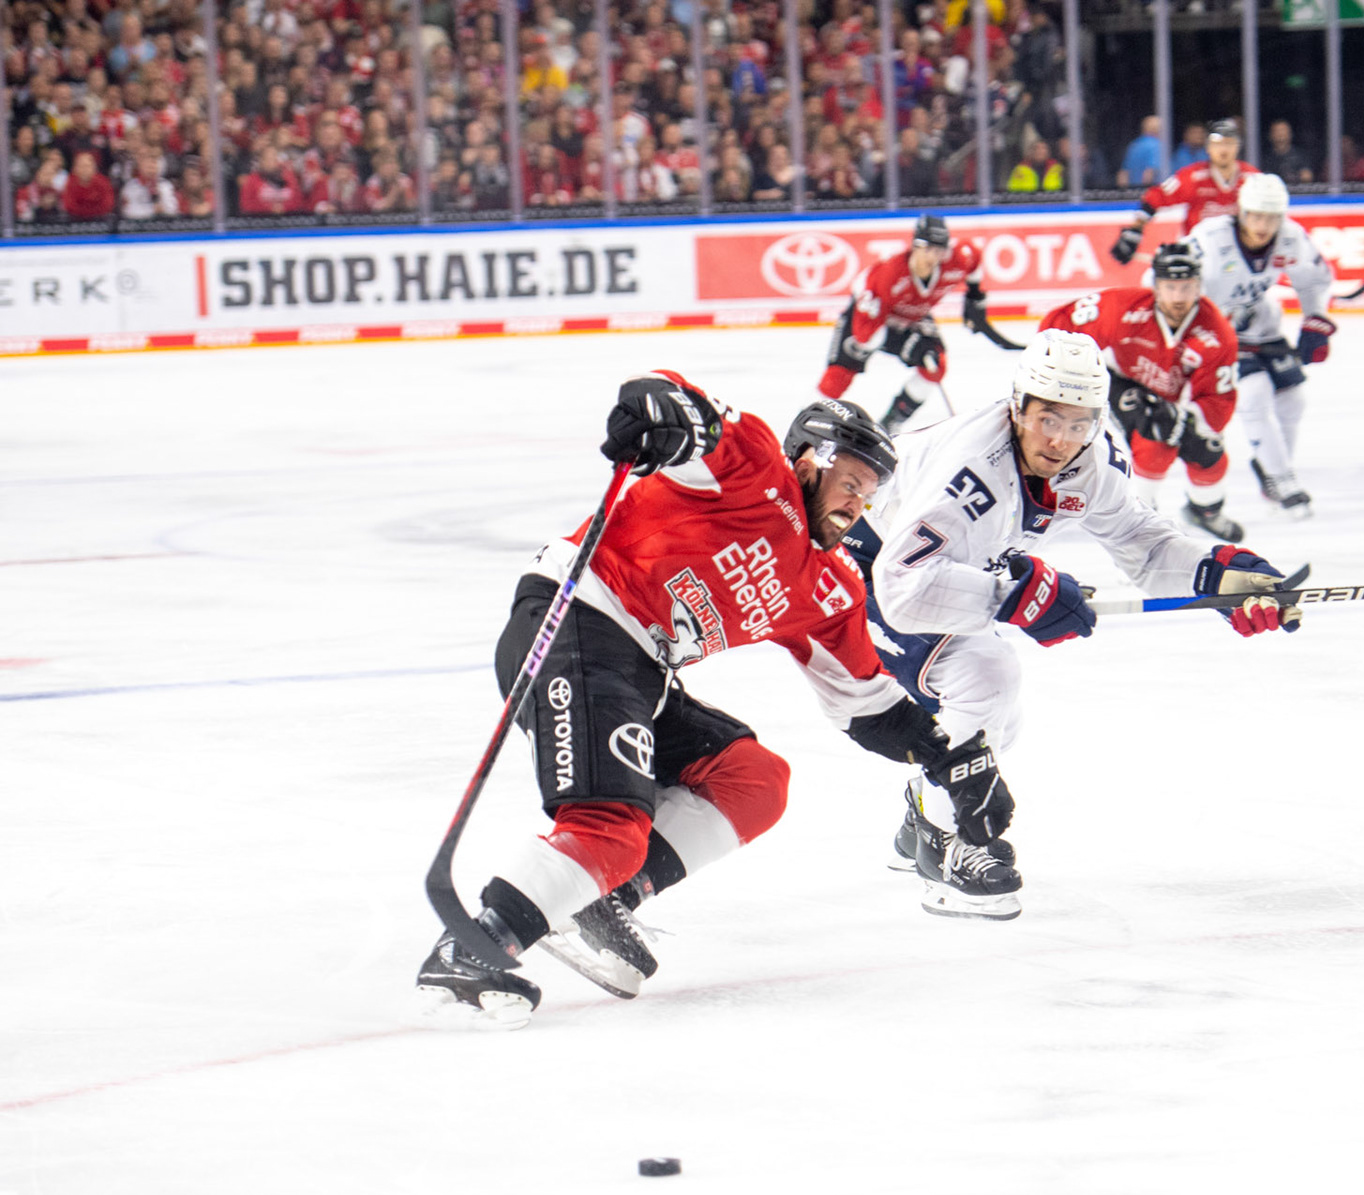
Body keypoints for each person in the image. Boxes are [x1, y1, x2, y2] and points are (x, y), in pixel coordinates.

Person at [415, 382, 1014, 1028]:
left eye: (871, 493)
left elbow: (868, 703)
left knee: (755, 781)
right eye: (851, 481)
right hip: (576, 618)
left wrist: (948, 760)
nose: (859, 503)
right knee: (610, 826)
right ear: (810, 460)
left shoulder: (829, 587)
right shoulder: (757, 470)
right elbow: (692, 415)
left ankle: (603, 898)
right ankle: (472, 948)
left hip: (640, 668)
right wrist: (659, 411)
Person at [841, 332, 1300, 918]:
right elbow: (903, 588)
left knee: (999, 721)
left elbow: (1143, 543)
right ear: (1018, 406)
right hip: (858, 559)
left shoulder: (1094, 461)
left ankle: (925, 804)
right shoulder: (972, 470)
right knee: (985, 675)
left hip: (940, 562)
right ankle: (943, 842)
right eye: (1048, 419)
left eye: (1079, 423)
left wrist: (1220, 578)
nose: (1061, 440)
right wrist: (1016, 598)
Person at [1041, 242, 1247, 541]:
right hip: (1117, 382)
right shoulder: (1123, 308)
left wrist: (1185, 422)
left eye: (1186, 287)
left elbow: (1218, 399)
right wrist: (1067, 380)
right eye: (1169, 287)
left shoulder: (1216, 333)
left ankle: (1205, 511)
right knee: (1153, 447)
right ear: (1156, 286)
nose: (1178, 297)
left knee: (1211, 456)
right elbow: (1059, 325)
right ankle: (1138, 527)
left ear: (1199, 287)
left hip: (1172, 402)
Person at [1186, 173, 1336, 519]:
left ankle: (1270, 468)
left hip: (1260, 322)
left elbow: (1313, 280)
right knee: (1252, 396)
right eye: (1255, 215)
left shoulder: (1290, 236)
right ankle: (1283, 481)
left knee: (1293, 399)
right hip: (1214, 331)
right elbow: (1163, 281)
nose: (1263, 225)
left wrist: (1315, 321)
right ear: (1241, 211)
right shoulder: (1209, 239)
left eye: (1271, 217)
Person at [817, 213, 997, 432]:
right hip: (868, 320)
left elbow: (974, 256)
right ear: (915, 246)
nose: (933, 257)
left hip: (912, 316)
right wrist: (910, 347)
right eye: (927, 249)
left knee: (935, 365)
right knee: (838, 376)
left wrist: (974, 295)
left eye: (939, 250)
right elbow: (867, 337)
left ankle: (891, 423)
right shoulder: (888, 276)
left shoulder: (957, 259)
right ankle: (809, 424)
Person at [1109, 118, 1262, 265]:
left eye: (1229, 143)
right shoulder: (1194, 177)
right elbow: (1155, 197)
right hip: (1200, 255)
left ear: (1237, 146)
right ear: (1208, 148)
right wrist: (1134, 232)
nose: (1223, 149)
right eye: (1217, 144)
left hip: (1239, 256)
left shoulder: (1252, 178)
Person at [1117, 114, 1164, 186]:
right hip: (1147, 192)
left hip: (1132, 193)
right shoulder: (1156, 145)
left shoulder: (1134, 145)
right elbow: (1149, 172)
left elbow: (1123, 174)